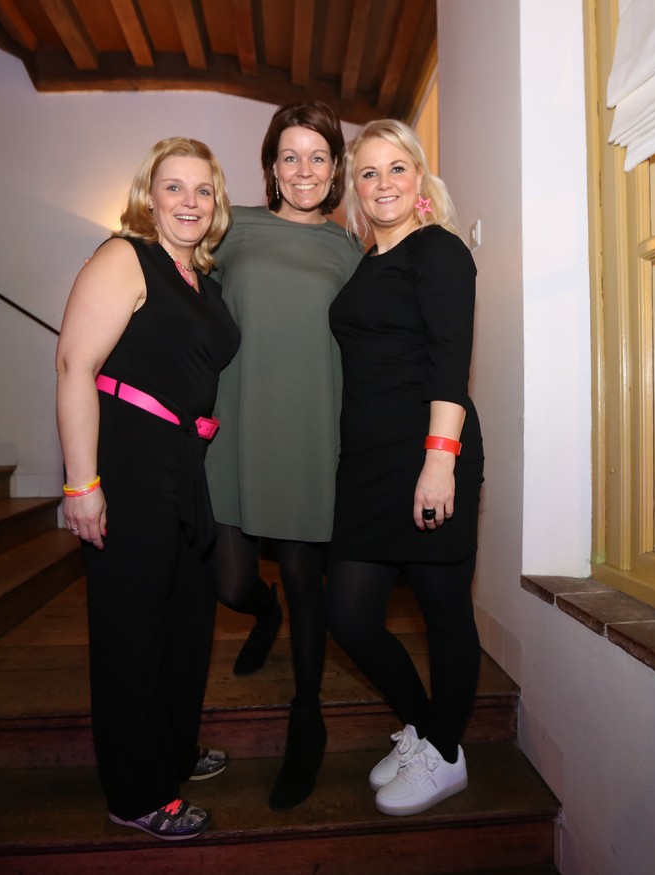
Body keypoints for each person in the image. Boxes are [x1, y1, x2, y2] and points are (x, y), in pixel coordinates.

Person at [55, 137, 240, 840]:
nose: (189, 201)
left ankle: (174, 750)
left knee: (188, 618)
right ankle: (136, 793)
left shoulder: (204, 281)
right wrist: (82, 482)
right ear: (149, 197)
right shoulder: (124, 257)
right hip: (130, 458)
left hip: (185, 462)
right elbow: (74, 365)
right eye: (174, 187)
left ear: (216, 203)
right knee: (132, 629)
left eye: (202, 189)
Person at [204, 101, 364, 810]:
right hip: (234, 423)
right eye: (290, 156)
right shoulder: (231, 225)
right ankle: (260, 612)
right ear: (271, 165)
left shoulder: (349, 249)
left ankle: (308, 715)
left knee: (306, 579)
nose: (303, 170)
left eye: (318, 157)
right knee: (228, 581)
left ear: (334, 169)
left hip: (311, 431)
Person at [325, 119, 484, 817]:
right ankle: (424, 728)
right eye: (368, 172)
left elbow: (451, 359)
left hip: (427, 453)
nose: (382, 183)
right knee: (348, 615)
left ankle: (445, 754)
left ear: (419, 177)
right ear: (355, 190)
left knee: (444, 612)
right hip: (368, 464)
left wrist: (439, 462)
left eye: (396, 168)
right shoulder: (368, 261)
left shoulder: (439, 249)